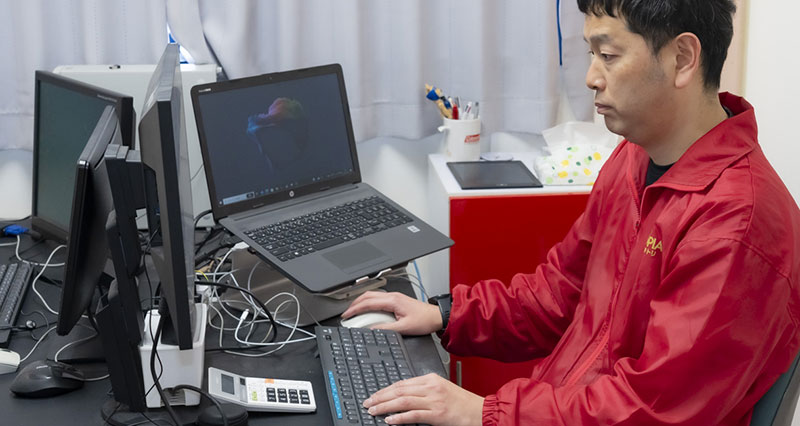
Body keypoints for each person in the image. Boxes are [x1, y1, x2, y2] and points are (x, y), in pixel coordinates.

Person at [342, 0, 800, 425]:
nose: (591, 78)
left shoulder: (737, 223)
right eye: (591, 54)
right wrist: (448, 315)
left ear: (682, 58)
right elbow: (559, 293)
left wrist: (486, 412)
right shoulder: (635, 158)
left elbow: (653, 408)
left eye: (609, 55)